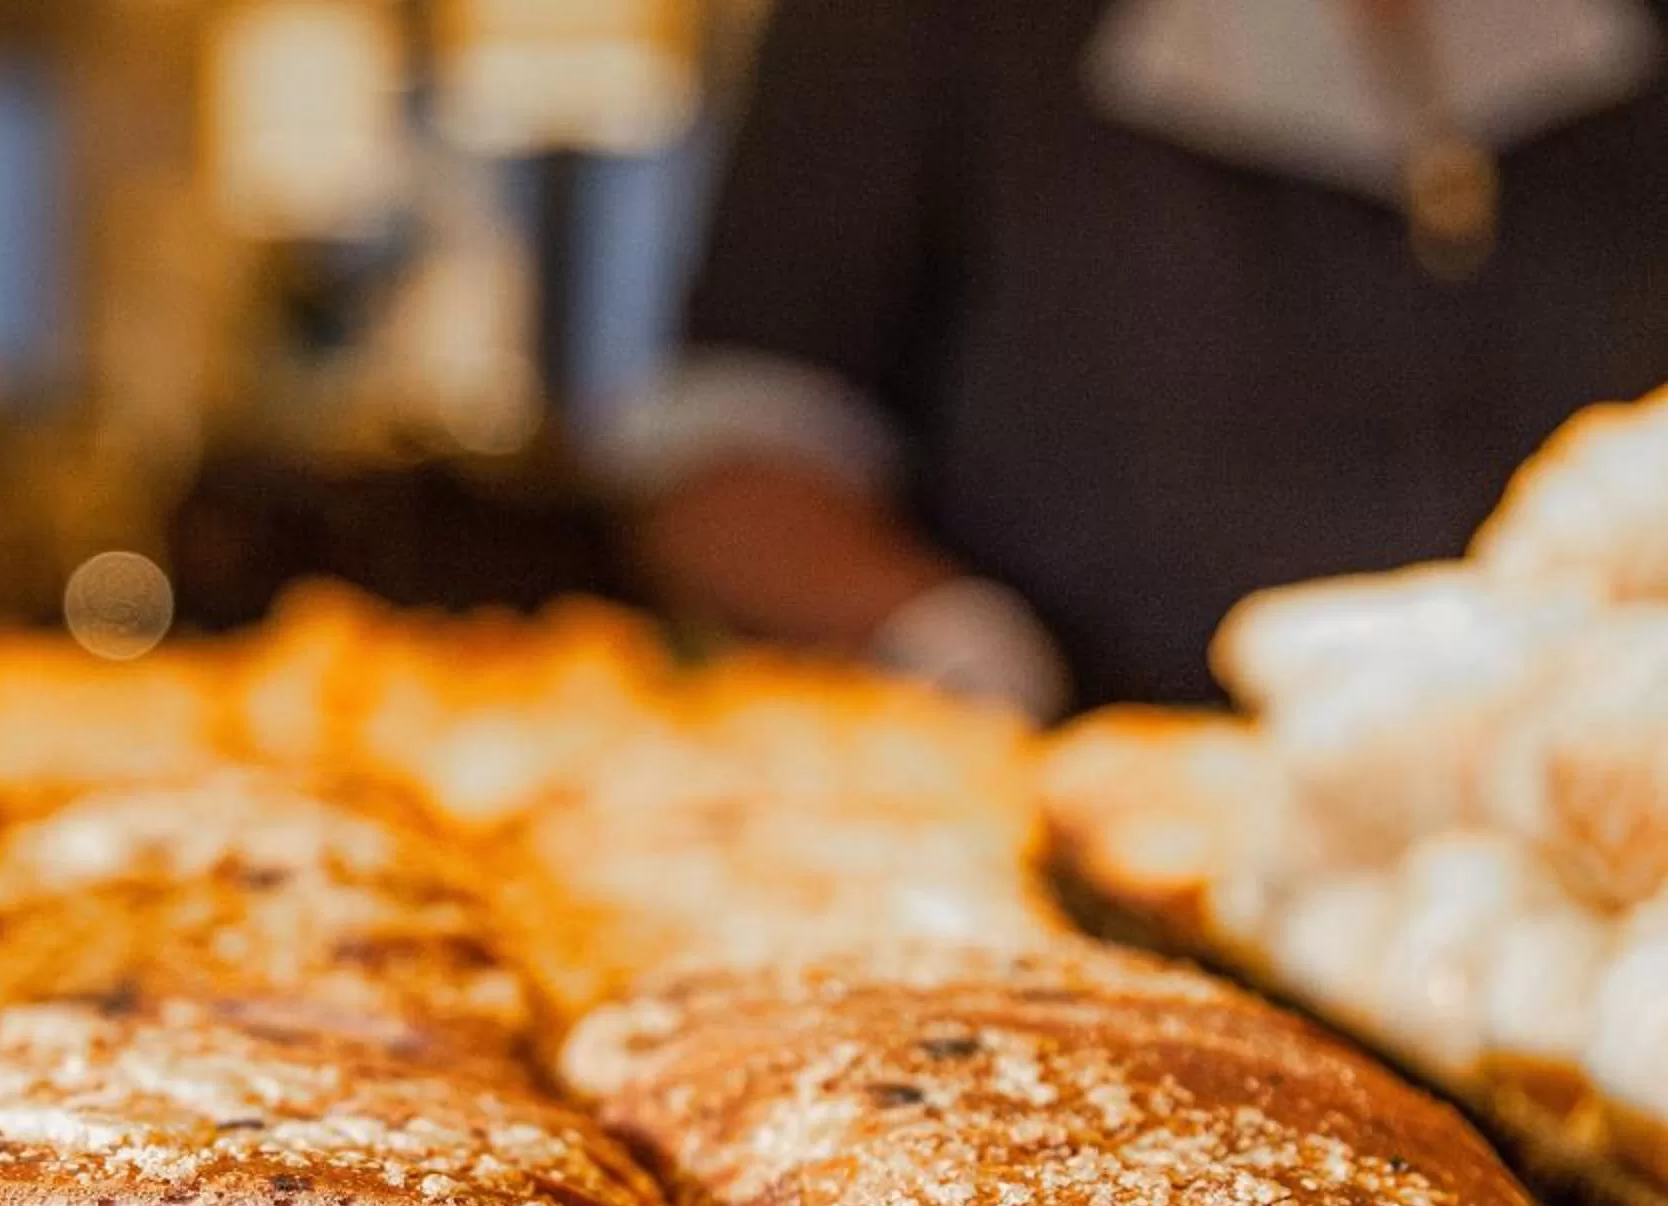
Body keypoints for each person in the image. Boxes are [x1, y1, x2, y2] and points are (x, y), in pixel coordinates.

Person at [628, 0, 1668, 713]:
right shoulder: (927, 31)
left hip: (1577, 858)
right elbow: (739, 451)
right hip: (1091, 814)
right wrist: (945, 637)